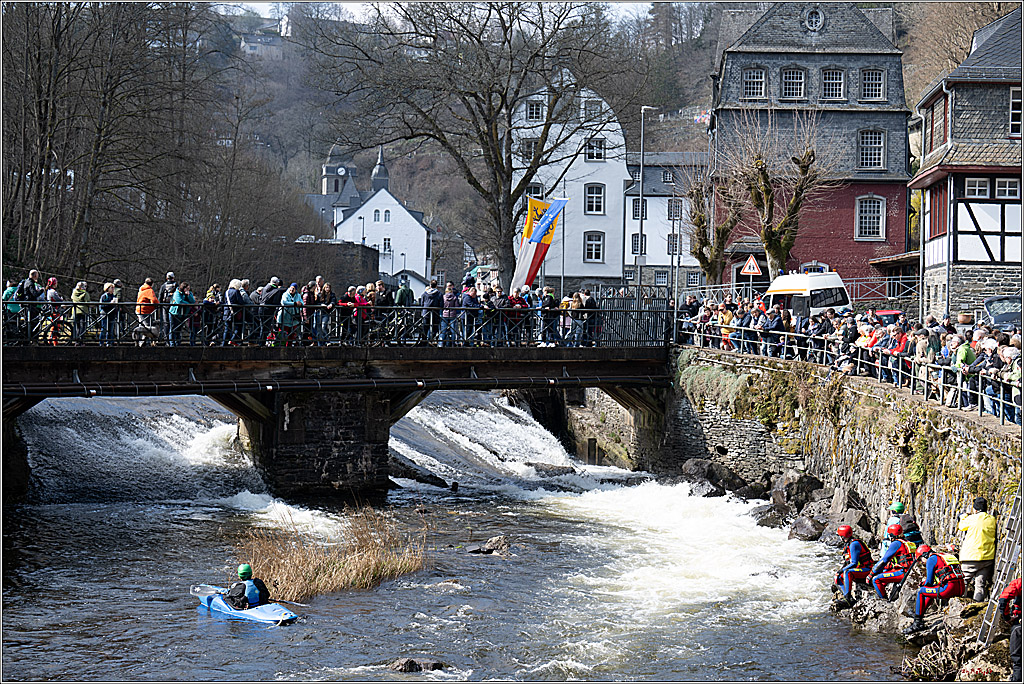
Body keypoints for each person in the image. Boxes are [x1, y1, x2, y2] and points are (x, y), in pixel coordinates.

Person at [904, 545, 966, 633]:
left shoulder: (931, 559)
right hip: (961, 588)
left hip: (949, 589)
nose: (922, 563)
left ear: (924, 555)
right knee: (931, 590)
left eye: (921, 560)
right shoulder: (945, 556)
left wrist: (923, 584)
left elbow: (929, 581)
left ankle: (917, 623)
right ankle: (920, 615)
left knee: (921, 592)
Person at [958, 496, 997, 602]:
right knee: (980, 584)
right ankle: (976, 606)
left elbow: (961, 526)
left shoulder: (971, 519)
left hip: (970, 557)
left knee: (963, 582)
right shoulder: (992, 519)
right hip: (987, 557)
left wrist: (963, 516)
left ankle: (962, 606)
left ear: (975, 509)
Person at [868, 523, 917, 601]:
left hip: (904, 572)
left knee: (876, 579)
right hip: (911, 571)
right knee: (885, 576)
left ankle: (884, 602)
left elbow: (884, 561)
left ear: (892, 535)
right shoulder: (908, 542)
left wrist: (871, 574)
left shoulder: (896, 543)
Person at [834, 525, 873, 607]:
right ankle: (847, 597)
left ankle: (847, 599)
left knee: (847, 572)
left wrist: (841, 570)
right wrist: (839, 572)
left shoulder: (854, 544)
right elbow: (848, 562)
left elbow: (854, 563)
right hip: (860, 568)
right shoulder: (849, 543)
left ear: (843, 536)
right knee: (838, 578)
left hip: (866, 569)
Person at [998, 576, 1021, 681]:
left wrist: (1007, 617)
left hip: (1019, 626)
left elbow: (1003, 599)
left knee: (1018, 661)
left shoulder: (1019, 582)